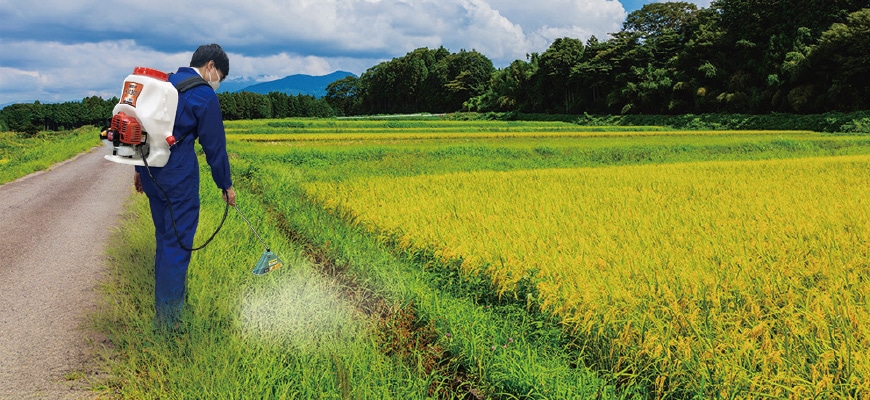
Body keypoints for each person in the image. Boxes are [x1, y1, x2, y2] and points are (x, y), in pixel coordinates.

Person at [133, 43, 236, 330]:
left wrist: (138, 170)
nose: (217, 84)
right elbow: (215, 147)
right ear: (211, 67)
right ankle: (169, 323)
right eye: (220, 78)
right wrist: (225, 185)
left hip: (151, 169)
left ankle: (169, 306)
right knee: (178, 246)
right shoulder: (202, 94)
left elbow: (141, 129)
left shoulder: (163, 82)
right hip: (177, 174)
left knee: (165, 241)